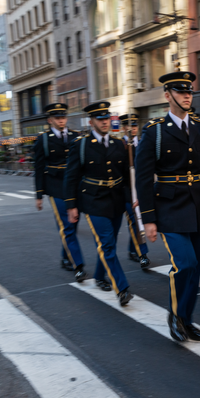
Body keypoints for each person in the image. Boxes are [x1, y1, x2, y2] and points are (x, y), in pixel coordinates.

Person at [134, 71, 200, 342]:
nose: (187, 96)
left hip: (197, 207)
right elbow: (142, 177)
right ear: (168, 96)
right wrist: (148, 219)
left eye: (189, 92)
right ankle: (175, 316)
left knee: (195, 265)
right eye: (181, 91)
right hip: (169, 208)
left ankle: (187, 319)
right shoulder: (154, 131)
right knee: (184, 264)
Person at [64, 101, 134, 306]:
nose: (105, 122)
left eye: (107, 118)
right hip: (93, 200)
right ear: (91, 121)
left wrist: (133, 198)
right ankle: (122, 288)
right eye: (100, 119)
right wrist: (71, 205)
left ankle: (100, 276)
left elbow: (127, 175)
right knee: (107, 243)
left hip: (116, 199)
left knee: (108, 240)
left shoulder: (118, 144)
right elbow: (71, 176)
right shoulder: (81, 145)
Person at [33, 103, 86, 282]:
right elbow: (38, 168)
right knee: (66, 226)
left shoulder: (76, 136)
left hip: (75, 185)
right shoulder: (43, 140)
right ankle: (78, 265)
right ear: (50, 120)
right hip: (55, 187)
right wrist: (39, 195)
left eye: (63, 117)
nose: (61, 120)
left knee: (73, 223)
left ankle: (65, 256)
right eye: (57, 118)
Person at [119, 113, 151, 269]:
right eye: (128, 126)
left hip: (142, 189)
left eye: (134, 125)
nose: (132, 129)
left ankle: (133, 249)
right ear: (124, 128)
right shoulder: (120, 145)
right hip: (126, 189)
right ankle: (142, 254)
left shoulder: (144, 143)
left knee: (139, 221)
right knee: (135, 221)